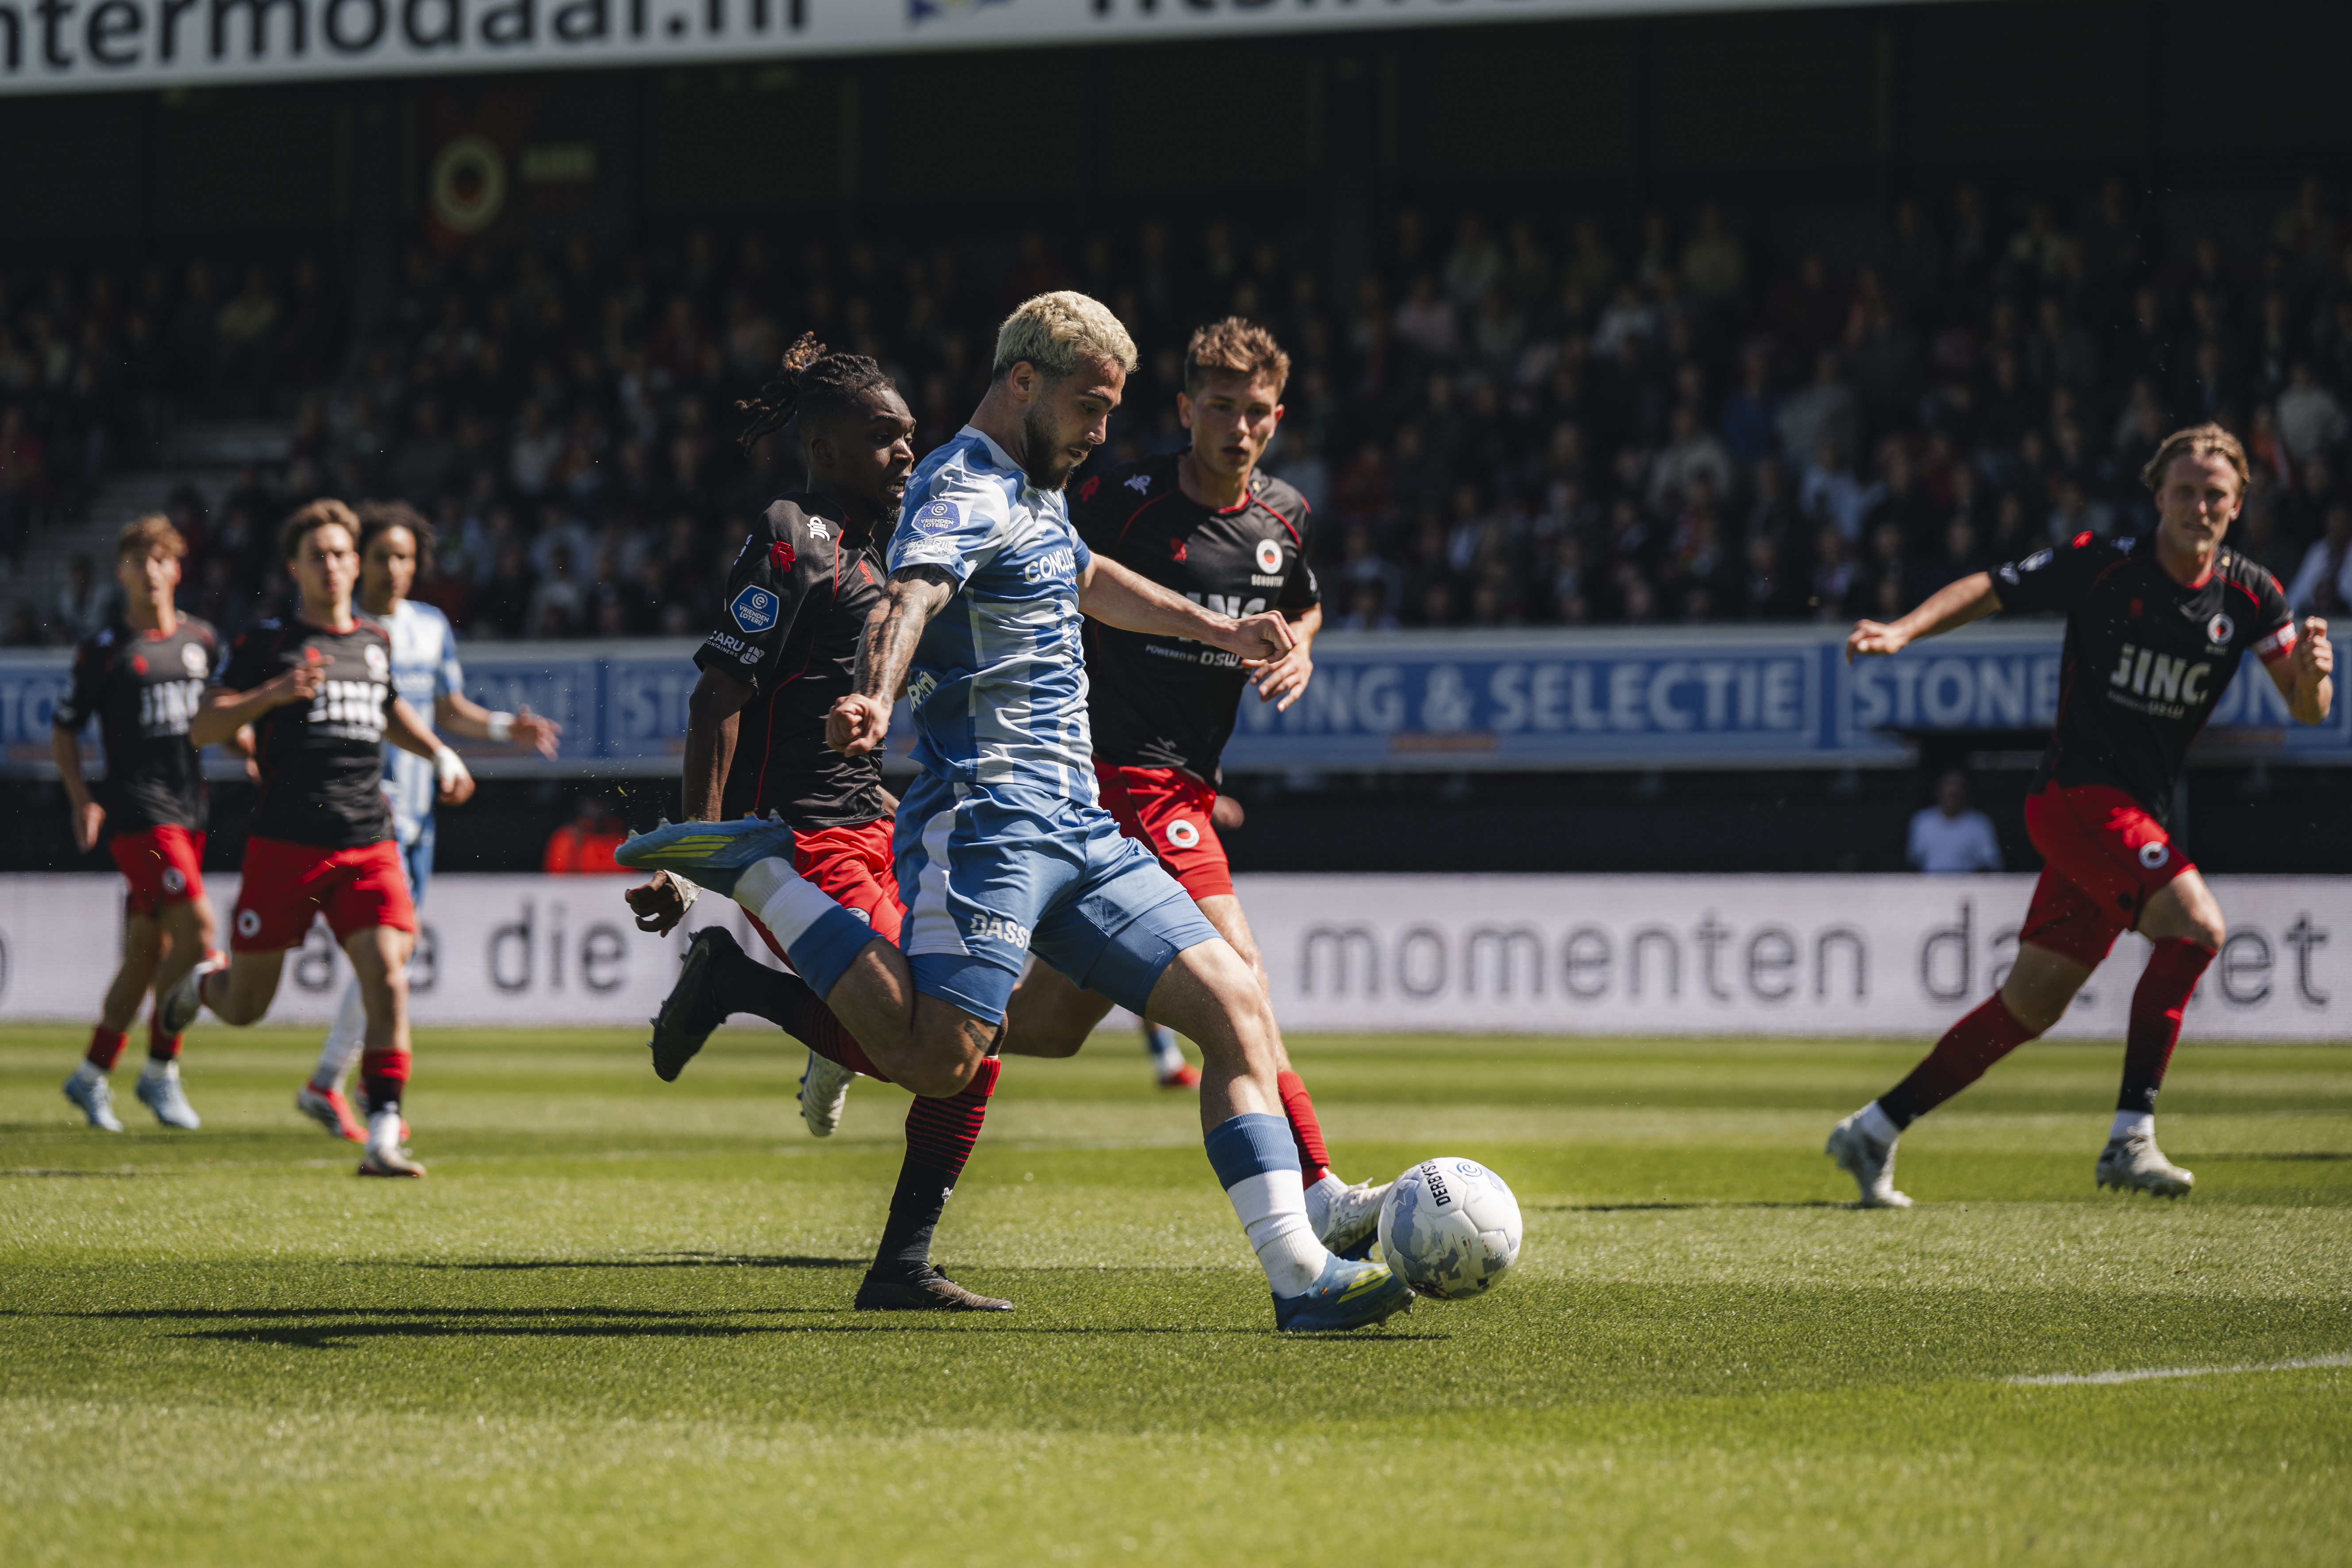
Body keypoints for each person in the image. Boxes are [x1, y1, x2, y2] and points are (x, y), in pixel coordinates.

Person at [620, 292, 1413, 1332]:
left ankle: (1300, 1277)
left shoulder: (1034, 491)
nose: (1100, 434)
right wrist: (876, 696)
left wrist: (1223, 632)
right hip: (985, 823)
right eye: (1089, 408)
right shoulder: (960, 483)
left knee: (1234, 1006)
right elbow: (911, 595)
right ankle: (761, 870)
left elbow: (1091, 579)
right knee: (938, 1059)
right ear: (1024, 382)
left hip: (1080, 824)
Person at [1828, 425, 2333, 1206]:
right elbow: (1992, 586)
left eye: (2214, 495)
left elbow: (2306, 709)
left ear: (2236, 506)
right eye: (2184, 491)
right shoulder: (2106, 564)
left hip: (2130, 816)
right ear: (2157, 495)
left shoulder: (2252, 594)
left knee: (2029, 1006)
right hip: (2077, 795)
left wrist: (2312, 676)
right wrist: (1902, 630)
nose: (2198, 506)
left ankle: (1874, 1127)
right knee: (2196, 927)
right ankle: (2131, 1137)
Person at [622, 333, 1015, 1313]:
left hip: (875, 831)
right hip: (796, 841)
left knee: (976, 1030)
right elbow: (717, 696)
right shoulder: (793, 536)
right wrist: (695, 853)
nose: (905, 451)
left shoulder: (886, 550)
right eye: (883, 436)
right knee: (923, 1045)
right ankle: (736, 982)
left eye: (910, 433)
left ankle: (900, 1264)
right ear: (828, 446)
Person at [1011, 315, 1388, 1252]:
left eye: (1255, 411)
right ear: (1185, 409)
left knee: (1044, 1026)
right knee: (1242, 981)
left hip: (1184, 784)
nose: (1237, 427)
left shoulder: (1284, 517)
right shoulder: (1118, 499)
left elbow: (1301, 602)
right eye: (1219, 407)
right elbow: (1036, 561)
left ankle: (854, 1023)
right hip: (1117, 774)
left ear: (1277, 418)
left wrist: (1299, 646)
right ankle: (1319, 1191)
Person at [158, 500, 478, 1178]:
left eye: (340, 553)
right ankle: (206, 983)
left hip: (367, 838)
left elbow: (387, 707)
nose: (331, 565)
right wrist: (273, 694)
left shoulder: (373, 640)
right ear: (294, 568)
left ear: (354, 564)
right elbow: (204, 726)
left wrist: (439, 753)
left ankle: (382, 1132)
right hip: (286, 842)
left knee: (387, 974)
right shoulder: (268, 641)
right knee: (246, 1006)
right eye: (317, 555)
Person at [293, 502, 559, 1142]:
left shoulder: (430, 626)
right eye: (383, 556)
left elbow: (447, 709)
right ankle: (336, 1079)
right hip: (361, 814)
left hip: (417, 818)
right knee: (387, 955)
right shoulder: (342, 630)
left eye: (405, 557)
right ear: (360, 562)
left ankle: (337, 1079)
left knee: (395, 955)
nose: (394, 568)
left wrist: (506, 728)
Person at [55, 516, 222, 1133]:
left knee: (148, 954)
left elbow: (219, 712)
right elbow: (65, 728)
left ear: (176, 569)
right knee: (200, 934)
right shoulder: (105, 651)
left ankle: (90, 1074)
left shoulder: (203, 640)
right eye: (136, 560)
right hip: (138, 814)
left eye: (159, 559)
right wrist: (82, 797)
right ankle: (160, 1067)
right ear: (121, 572)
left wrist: (250, 745)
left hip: (190, 809)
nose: (149, 570)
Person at [1905, 770, 2003, 873]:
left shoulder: (1980, 823)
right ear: (1939, 791)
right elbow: (1913, 861)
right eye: (1949, 784)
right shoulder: (1922, 821)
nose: (1953, 789)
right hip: (1929, 882)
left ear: (1966, 792)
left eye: (1959, 786)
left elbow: (1992, 863)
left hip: (1968, 882)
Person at [543, 795, 627, 875]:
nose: (596, 808)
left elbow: (626, 874)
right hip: (576, 885)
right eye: (593, 802)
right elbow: (556, 874)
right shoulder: (567, 837)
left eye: (599, 802)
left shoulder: (618, 837)